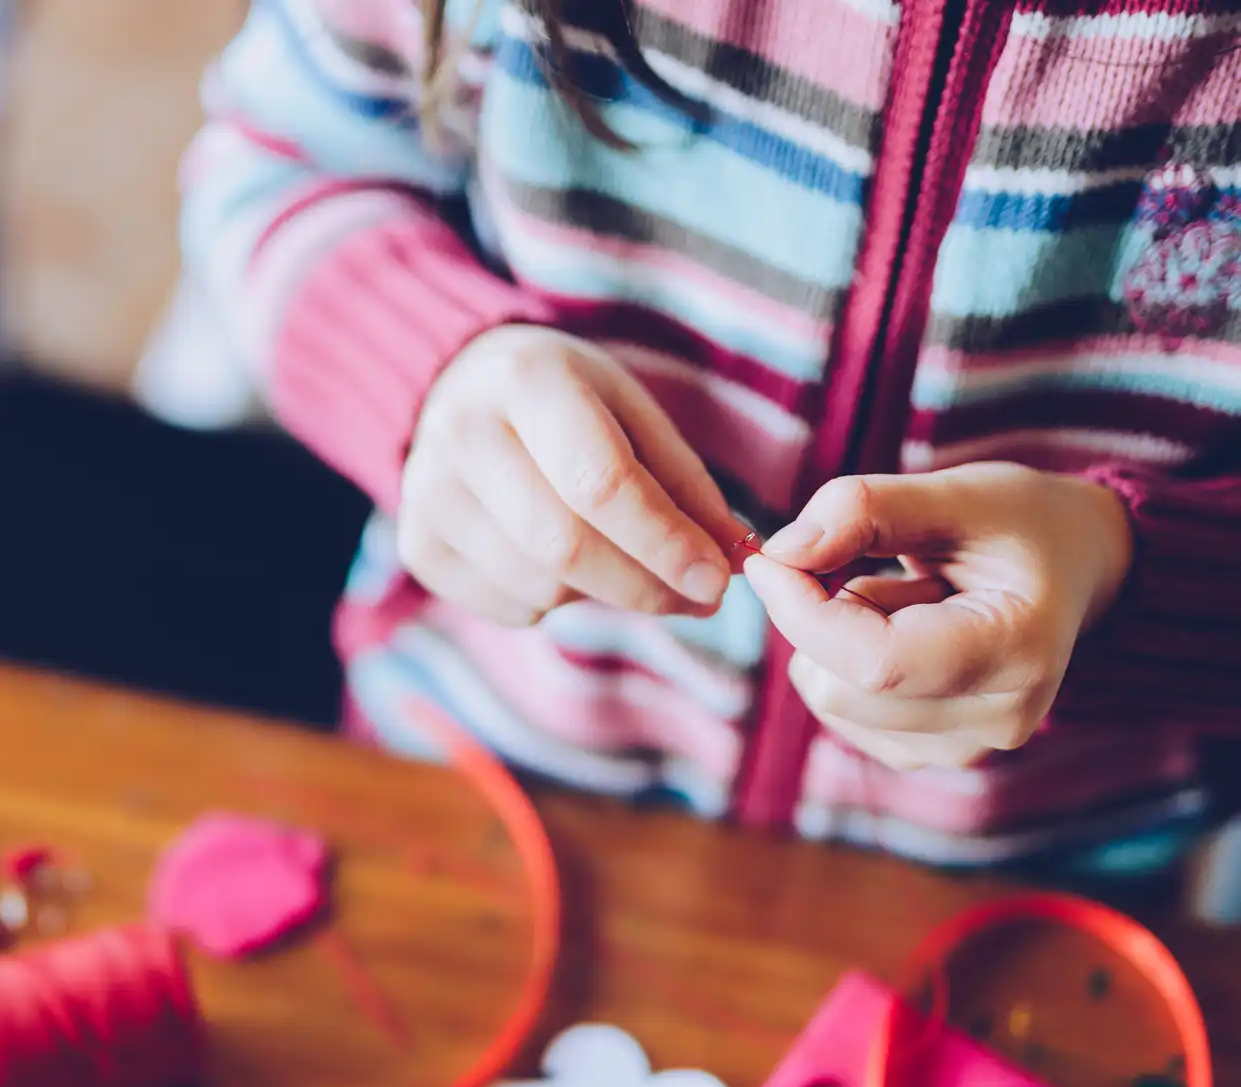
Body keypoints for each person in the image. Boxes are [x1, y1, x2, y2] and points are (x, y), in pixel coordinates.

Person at [179, 0, 1241, 870]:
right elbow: (275, 159)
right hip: (464, 793)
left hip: (1043, 910)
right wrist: (419, 372)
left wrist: (1118, 578)